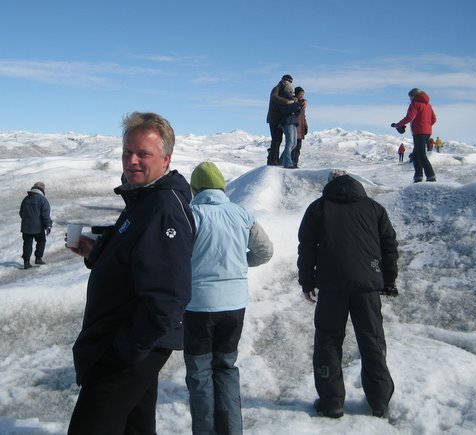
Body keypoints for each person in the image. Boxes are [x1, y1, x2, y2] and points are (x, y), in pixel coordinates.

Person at [67, 112, 196, 435]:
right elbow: (137, 257)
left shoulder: (163, 209)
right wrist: (96, 251)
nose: (132, 161)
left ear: (166, 159)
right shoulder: (144, 198)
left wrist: (126, 350)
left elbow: (169, 297)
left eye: (143, 154)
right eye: (127, 152)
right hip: (131, 340)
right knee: (135, 426)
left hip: (131, 344)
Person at [297, 170, 398, 419]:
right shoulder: (374, 209)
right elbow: (389, 245)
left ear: (329, 185)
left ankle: (332, 402)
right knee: (372, 340)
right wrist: (388, 279)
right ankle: (379, 401)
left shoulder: (318, 208)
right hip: (367, 286)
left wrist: (307, 281)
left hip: (331, 286)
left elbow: (307, 247)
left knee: (328, 341)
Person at [184, 161, 273, 435]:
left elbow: (175, 258)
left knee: (200, 373)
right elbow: (265, 251)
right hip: (234, 307)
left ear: (195, 188)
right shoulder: (241, 214)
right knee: (226, 367)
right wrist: (240, 263)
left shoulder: (190, 216)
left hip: (198, 306)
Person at [392, 88, 437, 182]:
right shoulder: (428, 105)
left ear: (414, 96)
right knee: (416, 156)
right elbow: (434, 119)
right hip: (427, 132)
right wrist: (427, 126)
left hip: (419, 132)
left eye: (410, 97)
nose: (410, 99)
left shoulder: (414, 104)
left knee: (421, 155)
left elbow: (410, 117)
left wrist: (398, 125)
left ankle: (431, 176)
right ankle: (418, 177)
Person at [19, 181, 52, 269]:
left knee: (27, 244)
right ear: (42, 190)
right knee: (41, 241)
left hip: (26, 227)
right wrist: (48, 225)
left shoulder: (26, 199)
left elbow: (21, 212)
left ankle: (26, 262)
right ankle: (38, 258)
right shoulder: (43, 200)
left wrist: (26, 221)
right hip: (38, 227)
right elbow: (45, 215)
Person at [266, 74, 295, 166]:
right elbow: (274, 97)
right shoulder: (277, 88)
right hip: (274, 118)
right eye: (288, 81)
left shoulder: (282, 90)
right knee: (276, 140)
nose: (288, 83)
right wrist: (287, 101)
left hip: (278, 119)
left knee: (278, 140)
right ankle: (272, 161)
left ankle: (274, 159)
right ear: (283, 80)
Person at [277, 82, 303, 168]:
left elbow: (297, 110)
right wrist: (294, 106)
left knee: (294, 144)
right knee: (290, 142)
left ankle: (281, 162)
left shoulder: (292, 100)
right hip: (287, 121)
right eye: (290, 91)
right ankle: (288, 163)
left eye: (292, 91)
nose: (292, 93)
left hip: (293, 121)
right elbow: (285, 110)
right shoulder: (283, 99)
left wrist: (295, 106)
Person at [291, 86, 308, 168]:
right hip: (295, 126)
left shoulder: (303, 104)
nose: (302, 95)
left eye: (303, 94)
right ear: (296, 94)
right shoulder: (293, 102)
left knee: (298, 147)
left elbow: (303, 116)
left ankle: (295, 163)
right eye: (300, 94)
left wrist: (305, 126)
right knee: (294, 146)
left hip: (301, 127)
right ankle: (292, 163)